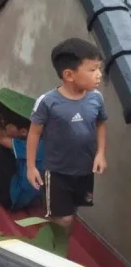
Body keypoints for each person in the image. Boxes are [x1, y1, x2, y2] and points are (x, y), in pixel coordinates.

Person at [27, 38, 107, 235]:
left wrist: (101, 154)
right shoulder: (47, 102)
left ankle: (59, 233)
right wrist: (30, 167)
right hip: (56, 173)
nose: (99, 75)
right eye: (92, 69)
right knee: (63, 219)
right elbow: (34, 133)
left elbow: (101, 123)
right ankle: (55, 243)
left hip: (84, 171)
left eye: (99, 68)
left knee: (72, 212)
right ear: (69, 75)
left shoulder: (96, 98)